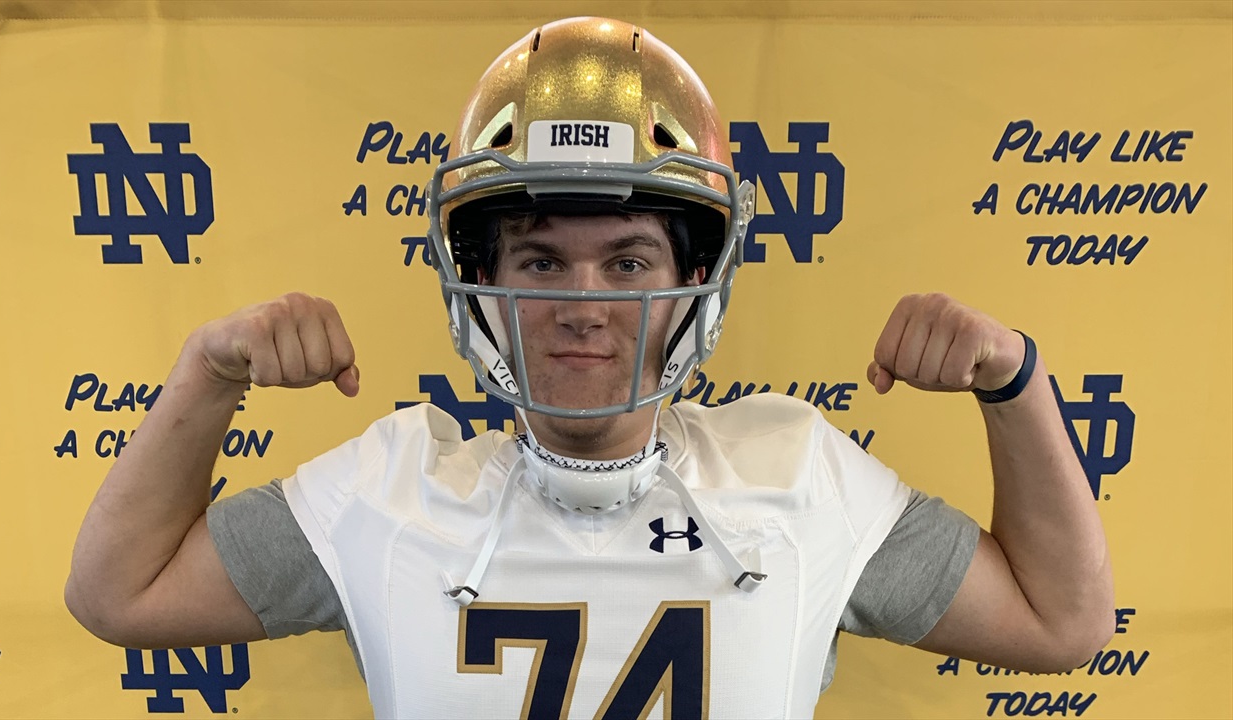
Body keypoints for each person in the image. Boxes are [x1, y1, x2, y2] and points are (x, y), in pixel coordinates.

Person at [66, 17, 1114, 719]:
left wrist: (1012, 385)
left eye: (627, 262)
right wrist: (208, 375)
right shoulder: (388, 489)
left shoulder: (798, 474)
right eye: (538, 260)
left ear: (693, 281)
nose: (580, 304)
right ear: (482, 280)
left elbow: (1061, 623)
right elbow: (118, 594)